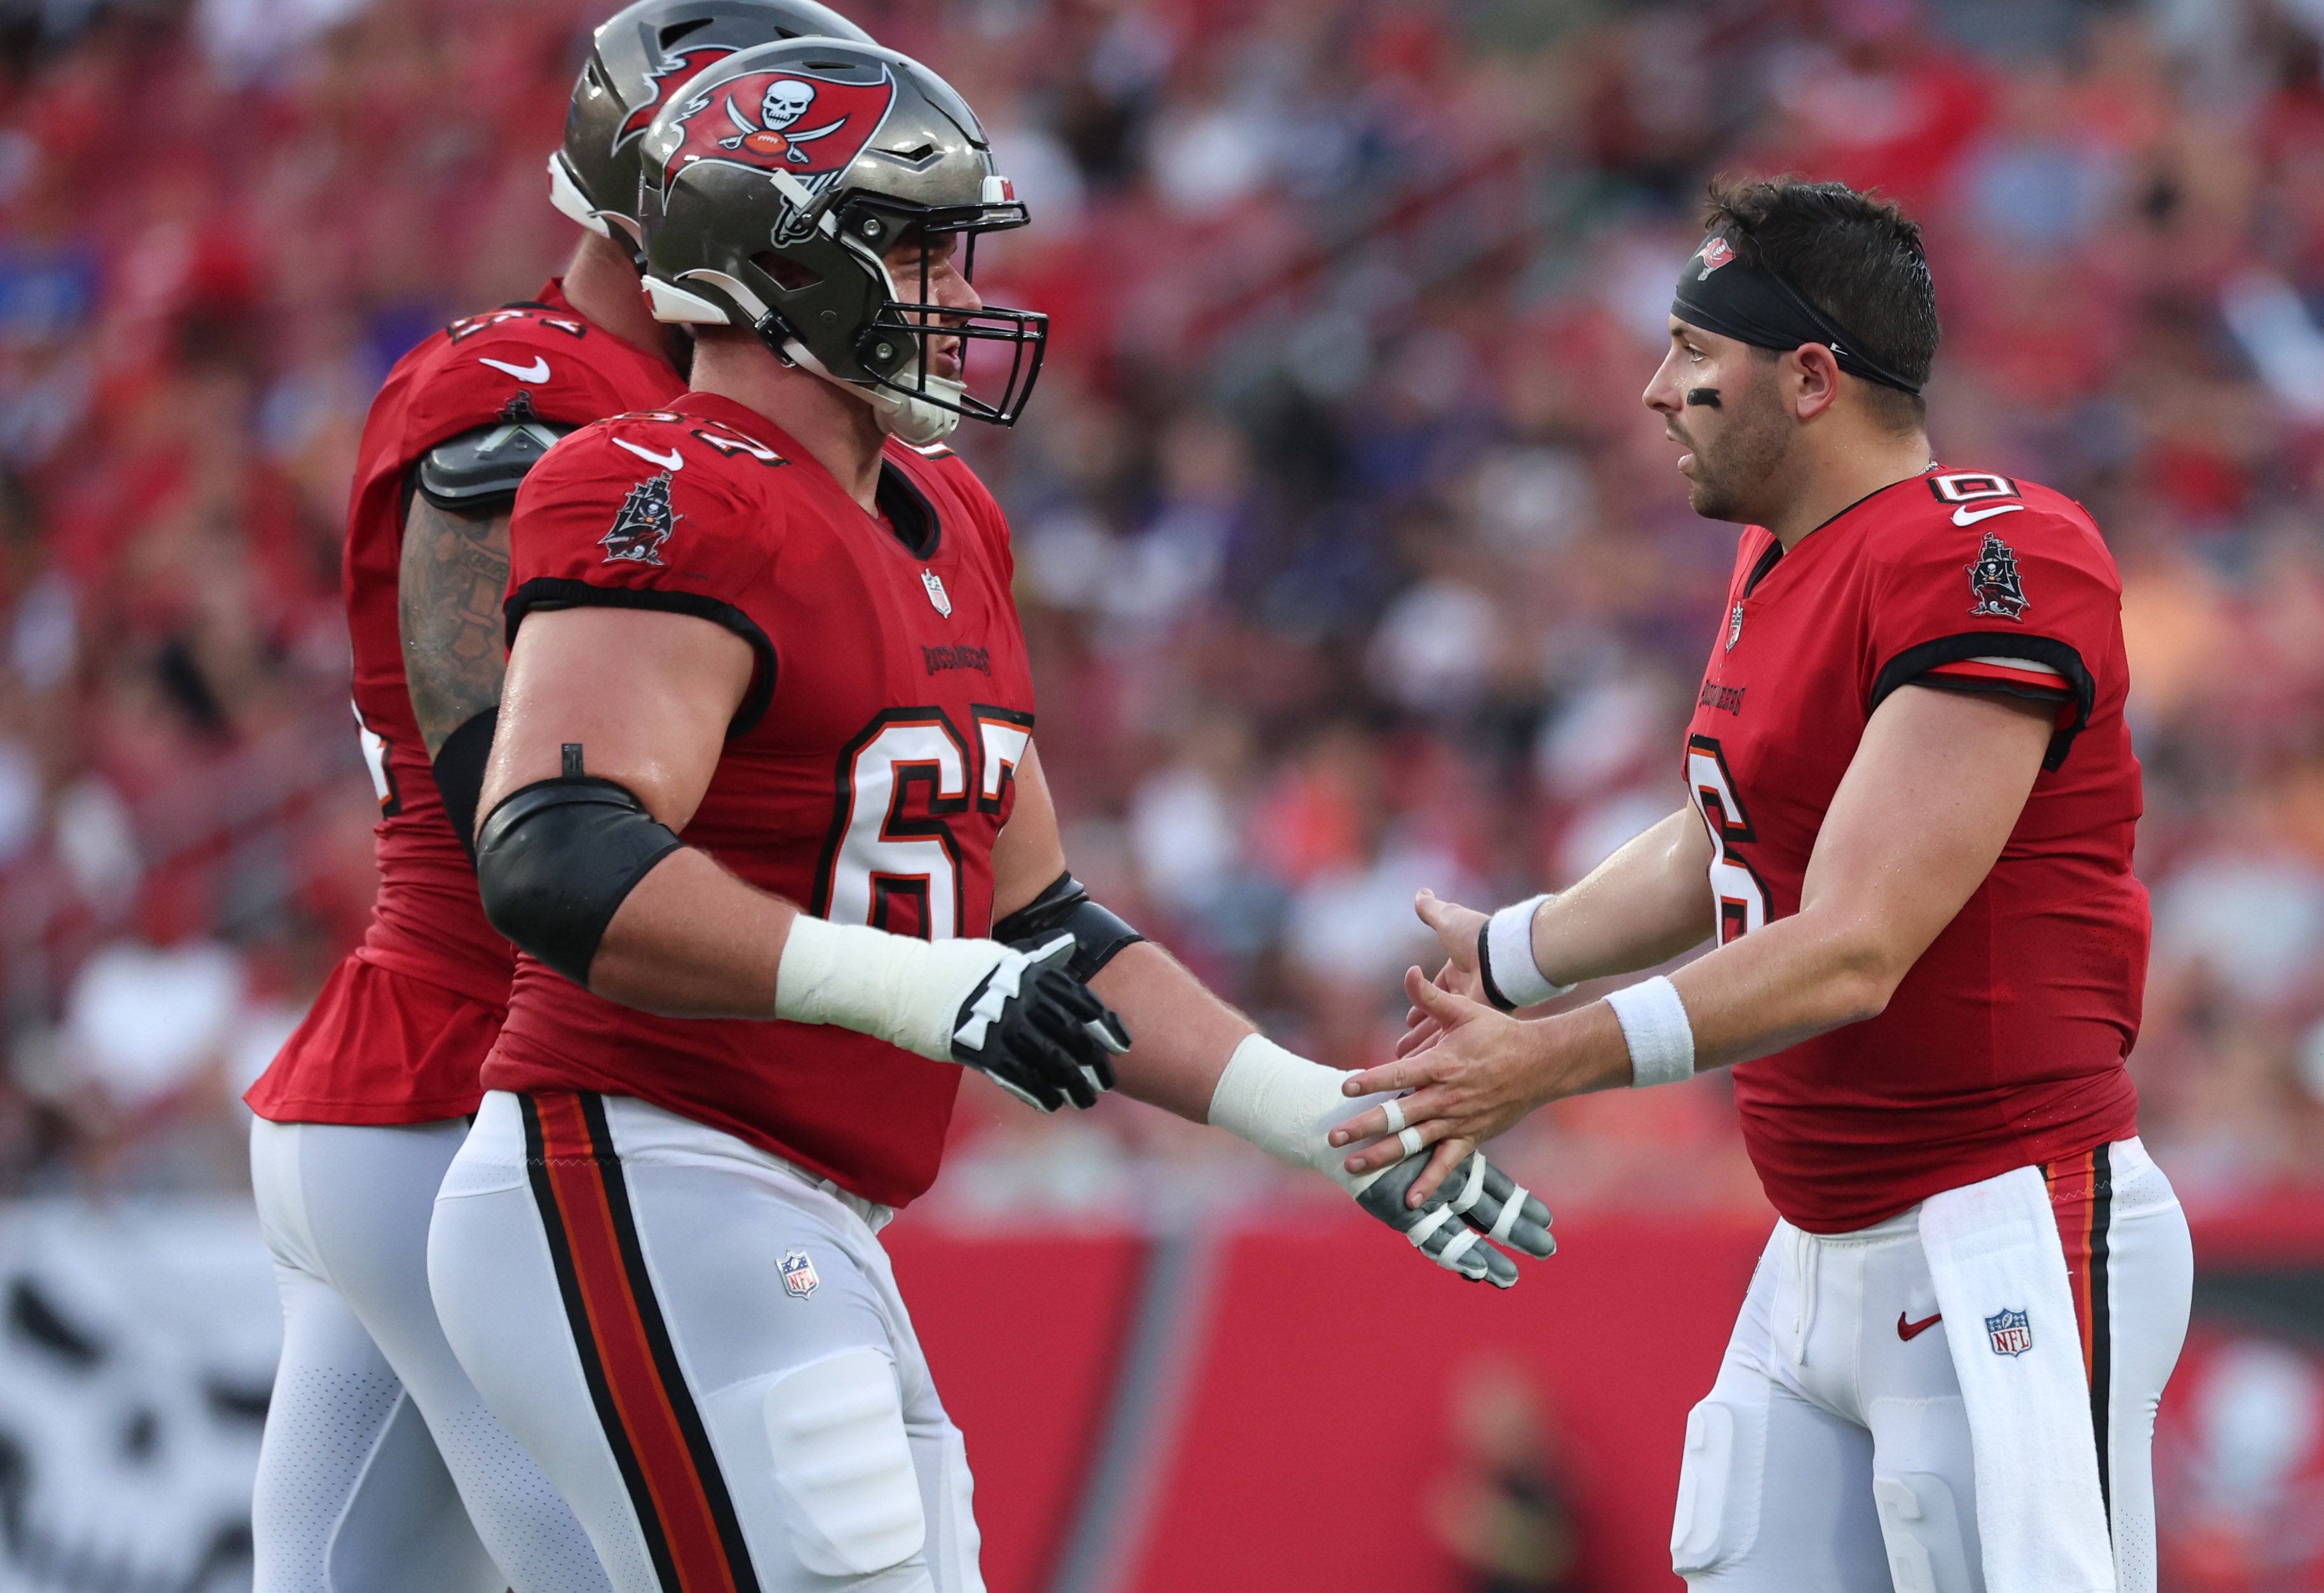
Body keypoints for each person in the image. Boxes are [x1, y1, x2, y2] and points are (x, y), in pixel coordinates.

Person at [421, 36, 1558, 1593]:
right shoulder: (675, 484)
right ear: (778, 267)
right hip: (642, 1165)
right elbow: (557, 856)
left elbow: (1039, 927)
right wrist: (924, 987)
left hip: (806, 1205)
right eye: (910, 248)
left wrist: (1324, 1116)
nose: (955, 293)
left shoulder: (945, 512)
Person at [1328, 179, 2191, 1593]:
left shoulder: (1991, 557)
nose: (1656, 390)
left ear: (1807, 379)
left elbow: (1854, 947)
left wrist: (1548, 1062)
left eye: (1691, 354)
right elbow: (1719, 834)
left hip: (2000, 1228)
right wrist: (1509, 956)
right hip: (1816, 1244)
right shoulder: (1780, 556)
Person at [240, 6, 874, 1589]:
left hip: (432, 1097)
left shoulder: (718, 426)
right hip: (478, 1081)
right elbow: (522, 816)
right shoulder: (530, 396)